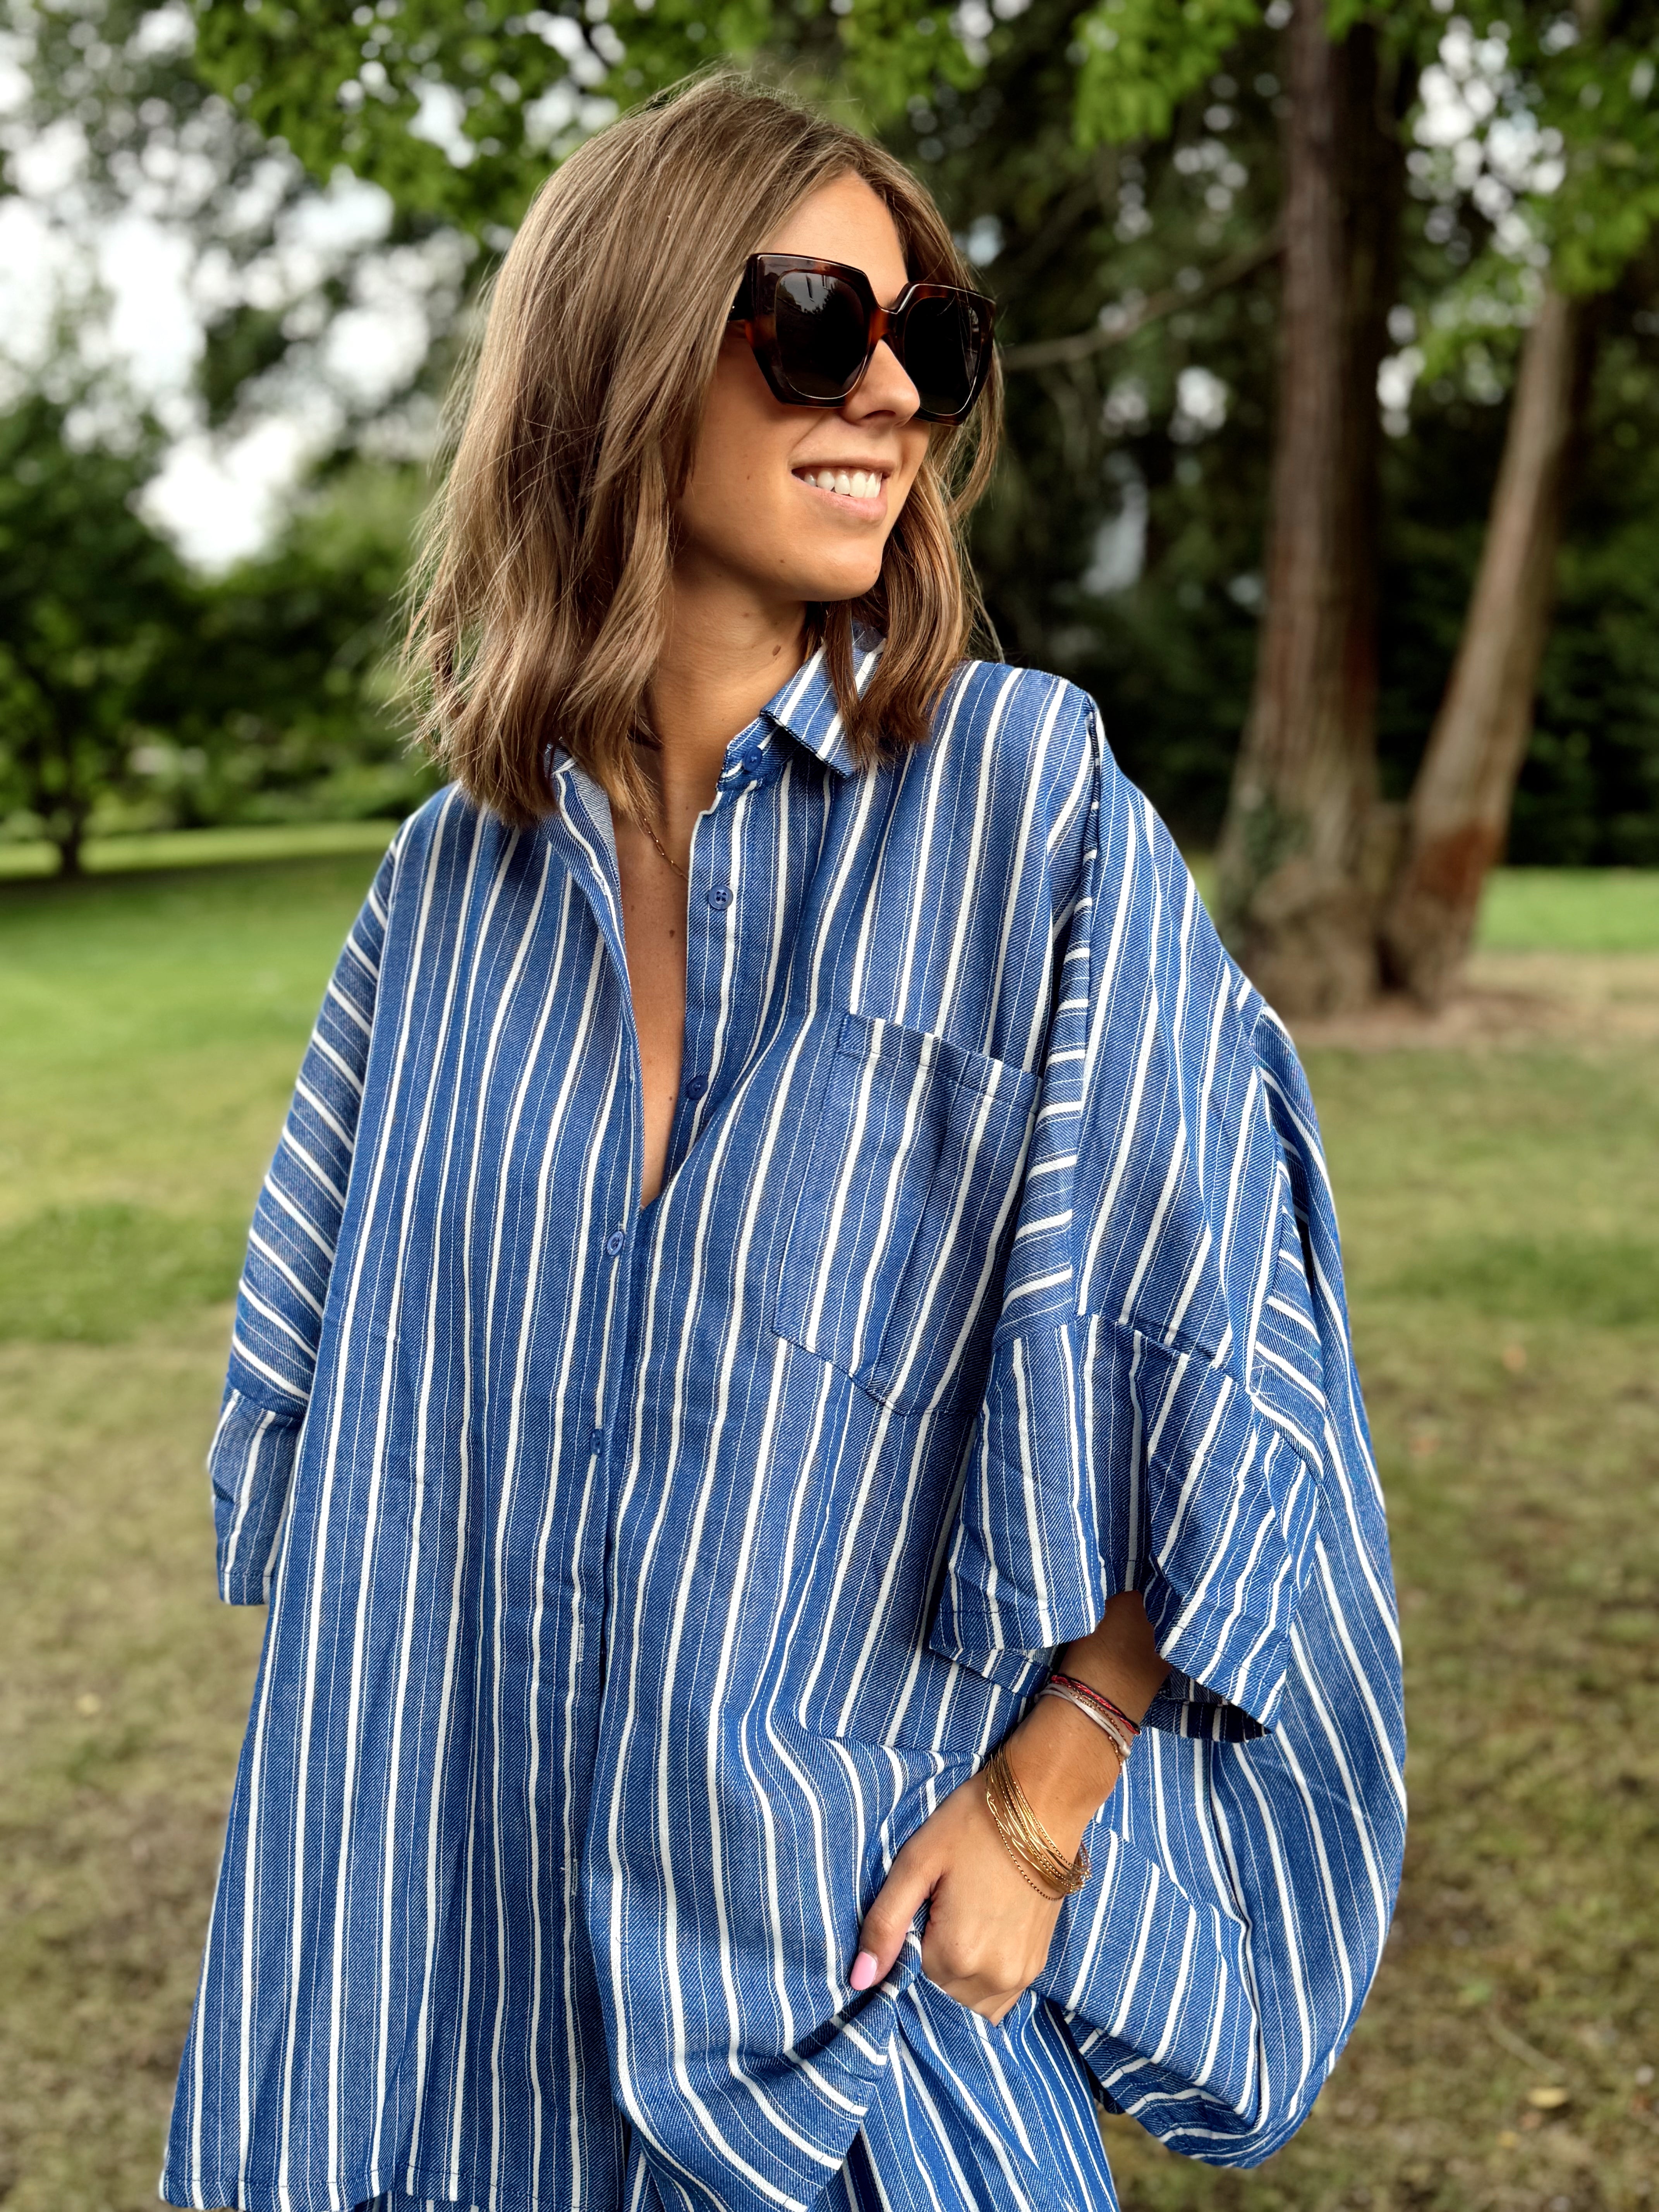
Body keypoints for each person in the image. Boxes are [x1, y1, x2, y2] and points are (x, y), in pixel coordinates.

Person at [161, 70, 1405, 2212]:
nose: (894, 392)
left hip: (844, 2007)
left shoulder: (1025, 811)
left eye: (934, 337)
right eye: (821, 325)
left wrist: (1053, 1791)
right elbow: (339, 1475)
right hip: (450, 2006)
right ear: (624, 353)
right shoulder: (443, 898)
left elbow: (1234, 1335)